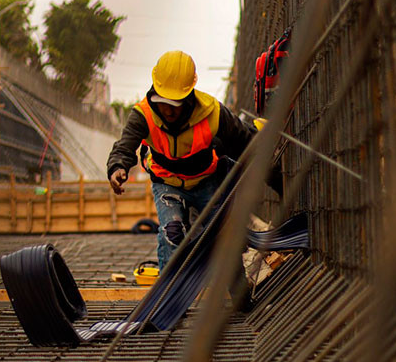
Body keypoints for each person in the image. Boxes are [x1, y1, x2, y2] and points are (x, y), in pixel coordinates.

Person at [107, 50, 273, 272]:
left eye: (174, 103)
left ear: (188, 96)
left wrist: (270, 161)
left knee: (224, 236)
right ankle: (169, 297)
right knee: (172, 233)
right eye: (162, 101)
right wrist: (118, 166)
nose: (167, 109)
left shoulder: (211, 112)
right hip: (167, 183)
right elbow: (125, 145)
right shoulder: (143, 114)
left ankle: (238, 292)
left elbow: (244, 141)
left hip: (206, 181)